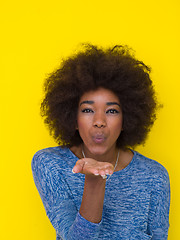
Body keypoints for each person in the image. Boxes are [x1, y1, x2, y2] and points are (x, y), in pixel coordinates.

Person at [31, 43, 170, 240]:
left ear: (126, 119)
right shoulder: (50, 163)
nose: (99, 122)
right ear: (73, 118)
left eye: (112, 111)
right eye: (87, 110)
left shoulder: (155, 176)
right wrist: (94, 180)